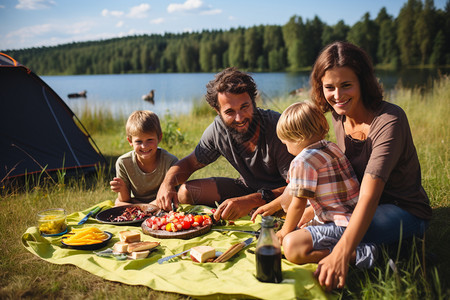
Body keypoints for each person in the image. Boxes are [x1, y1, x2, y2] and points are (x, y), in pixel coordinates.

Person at [306, 41, 432, 291]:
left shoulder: (389, 120)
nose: (338, 96)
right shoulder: (338, 116)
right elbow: (344, 176)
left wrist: (342, 252)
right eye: (329, 87)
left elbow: (369, 194)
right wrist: (313, 209)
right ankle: (386, 254)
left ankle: (399, 254)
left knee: (299, 246)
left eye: (346, 85)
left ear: (363, 82)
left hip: (404, 211)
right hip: (358, 207)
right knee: (298, 243)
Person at [251, 101, 377, 269]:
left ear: (297, 138)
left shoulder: (303, 161)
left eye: (285, 142)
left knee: (292, 246)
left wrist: (285, 232)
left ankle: (362, 254)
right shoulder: (330, 147)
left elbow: (298, 204)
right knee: (301, 228)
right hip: (356, 219)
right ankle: (353, 249)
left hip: (340, 225)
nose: (285, 146)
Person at [156, 67, 294, 220]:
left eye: (244, 107)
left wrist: (253, 200)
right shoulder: (217, 131)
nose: (239, 118)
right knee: (186, 192)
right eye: (229, 112)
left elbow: (301, 186)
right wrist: (167, 184)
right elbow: (190, 163)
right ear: (217, 111)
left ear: (253, 102)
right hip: (248, 188)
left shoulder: (278, 127)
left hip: (283, 194)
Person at [110, 110, 178, 206]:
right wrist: (121, 189)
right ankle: (145, 209)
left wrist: (142, 207)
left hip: (162, 203)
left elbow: (174, 196)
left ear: (159, 137)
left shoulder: (170, 161)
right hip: (142, 204)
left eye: (150, 140)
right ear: (130, 141)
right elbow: (124, 200)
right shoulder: (123, 163)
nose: (144, 146)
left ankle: (144, 210)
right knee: (118, 203)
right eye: (138, 141)